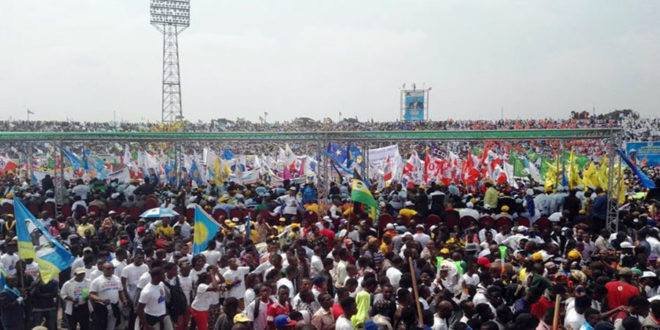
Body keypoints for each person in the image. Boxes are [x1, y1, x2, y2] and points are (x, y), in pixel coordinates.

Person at [89, 262, 126, 330]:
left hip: (114, 306)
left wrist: (124, 300)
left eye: (113, 268)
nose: (111, 270)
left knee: (113, 324)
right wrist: (101, 300)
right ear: (103, 269)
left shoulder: (117, 279)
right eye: (109, 268)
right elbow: (92, 294)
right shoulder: (97, 281)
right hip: (102, 307)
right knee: (102, 326)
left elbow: (120, 291)